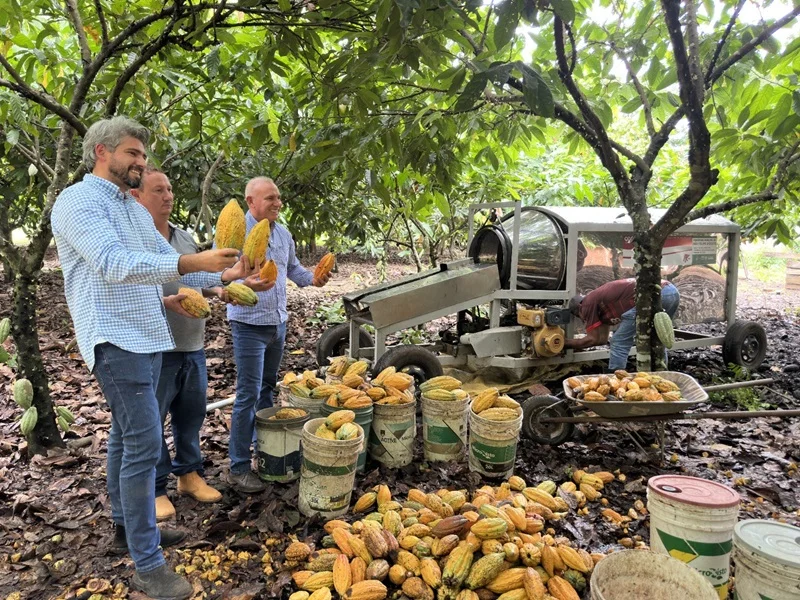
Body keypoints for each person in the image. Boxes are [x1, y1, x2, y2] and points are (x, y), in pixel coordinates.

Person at [51, 116, 255, 600]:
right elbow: (115, 264)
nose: (140, 162)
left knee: (126, 440)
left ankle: (128, 527)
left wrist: (224, 279)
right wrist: (192, 262)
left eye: (143, 155)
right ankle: (147, 563)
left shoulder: (132, 208)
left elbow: (158, 272)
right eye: (132, 154)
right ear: (102, 153)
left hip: (148, 336)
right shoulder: (78, 202)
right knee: (143, 446)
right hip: (113, 339)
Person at [131, 167, 228, 521]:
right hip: (155, 348)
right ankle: (157, 487)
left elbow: (198, 280)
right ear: (137, 196)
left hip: (192, 345)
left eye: (170, 189)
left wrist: (219, 288)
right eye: (159, 190)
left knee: (191, 416)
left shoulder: (184, 238)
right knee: (152, 422)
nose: (168, 196)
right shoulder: (133, 241)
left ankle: (189, 474)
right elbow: (128, 291)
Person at [225, 177, 329, 493]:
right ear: (250, 201)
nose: (277, 203)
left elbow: (293, 270)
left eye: (279, 198)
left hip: (277, 325)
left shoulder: (282, 234)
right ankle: (238, 467)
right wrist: (242, 285)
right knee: (247, 393)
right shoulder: (234, 234)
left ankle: (265, 447)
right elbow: (218, 280)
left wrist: (314, 278)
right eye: (270, 198)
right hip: (248, 326)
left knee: (267, 388)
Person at [564, 277, 680, 371]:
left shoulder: (586, 304)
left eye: (580, 316)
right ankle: (661, 373)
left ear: (579, 308)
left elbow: (591, 339)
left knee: (619, 341)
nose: (584, 320)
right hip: (670, 291)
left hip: (654, 295)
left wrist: (564, 344)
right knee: (656, 337)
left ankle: (616, 377)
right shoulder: (600, 303)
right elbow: (602, 340)